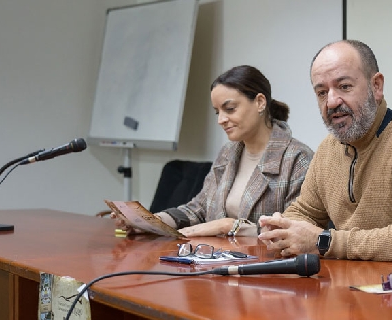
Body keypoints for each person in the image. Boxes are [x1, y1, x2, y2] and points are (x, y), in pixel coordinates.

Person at [258, 40, 392, 262]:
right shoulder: (328, 148)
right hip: (352, 286)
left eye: (344, 86)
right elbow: (305, 212)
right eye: (322, 92)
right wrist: (283, 229)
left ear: (376, 86)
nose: (332, 102)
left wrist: (325, 242)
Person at [115, 65, 313, 237]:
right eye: (218, 112)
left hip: (266, 273)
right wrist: (150, 222)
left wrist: (229, 226)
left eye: (230, 109)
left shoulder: (298, 159)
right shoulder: (228, 153)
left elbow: (294, 232)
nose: (221, 120)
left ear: (260, 102)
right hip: (215, 263)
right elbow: (198, 209)